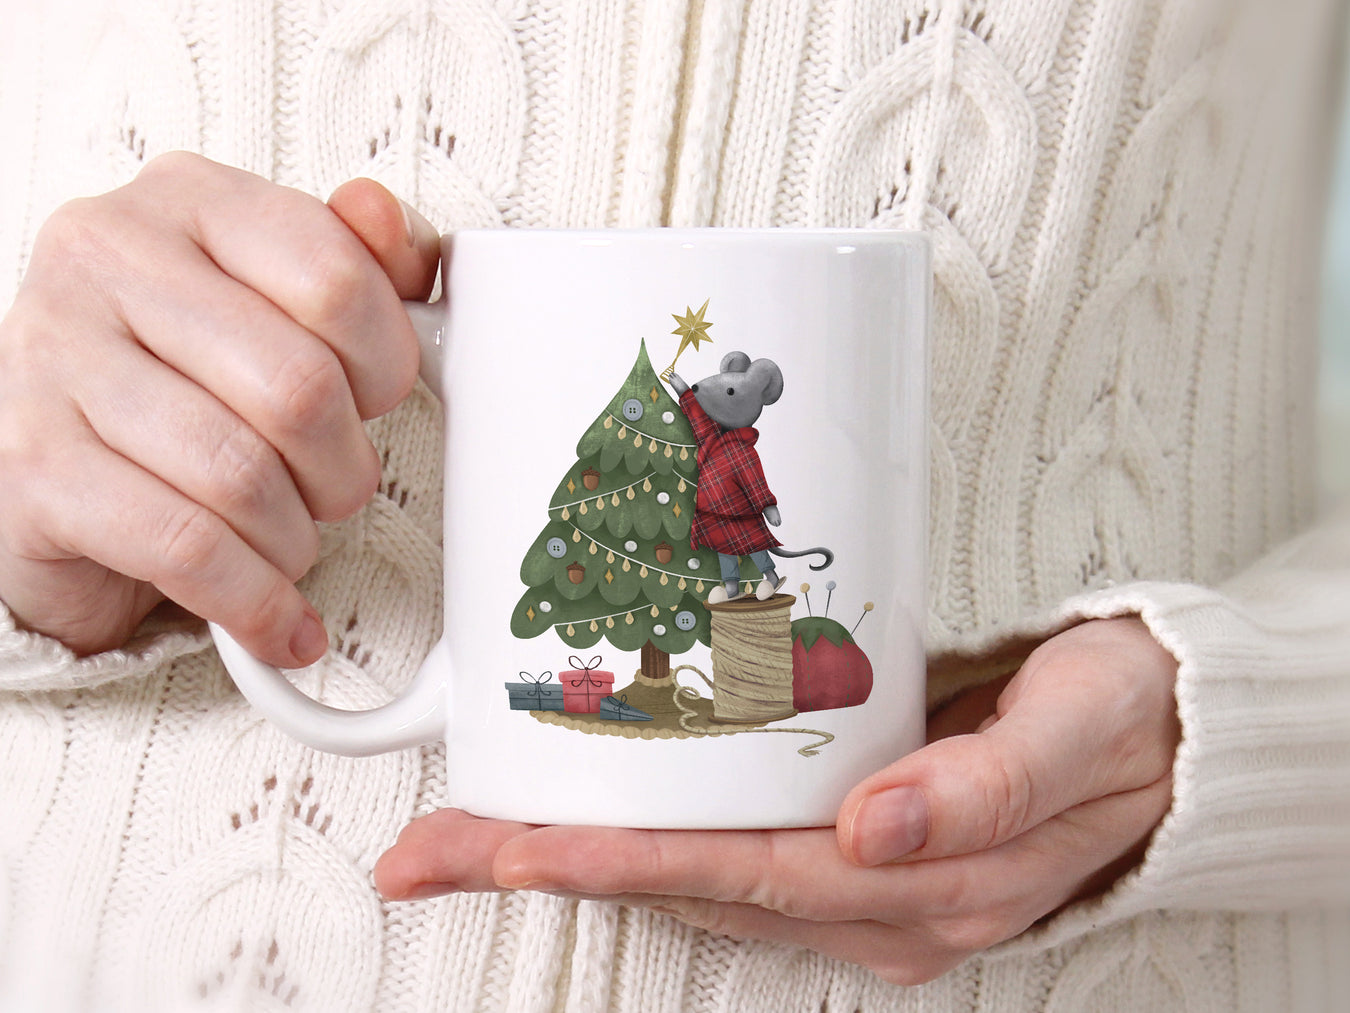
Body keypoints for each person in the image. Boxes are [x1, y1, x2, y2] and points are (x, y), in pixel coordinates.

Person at [1, 0, 1347, 1010]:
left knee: (742, 622)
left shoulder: (723, 459)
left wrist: (1241, 709)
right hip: (143, 953)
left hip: (1121, 965)